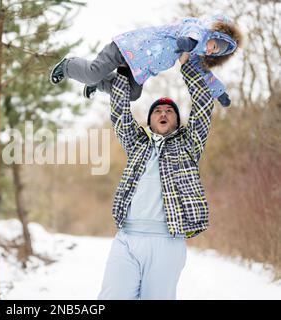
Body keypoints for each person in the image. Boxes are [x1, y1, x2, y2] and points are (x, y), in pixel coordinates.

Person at [98, 52, 213, 300]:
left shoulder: (189, 145)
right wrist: (122, 73)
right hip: (127, 238)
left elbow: (203, 104)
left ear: (177, 120)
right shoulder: (137, 144)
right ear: (150, 120)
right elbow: (120, 115)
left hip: (167, 241)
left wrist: (188, 66)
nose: (163, 113)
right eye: (157, 110)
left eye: (169, 111)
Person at [50, 14, 242, 107]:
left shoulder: (193, 54)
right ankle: (67, 66)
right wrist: (189, 41)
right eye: (213, 45)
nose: (210, 49)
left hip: (138, 70)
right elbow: (191, 32)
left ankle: (99, 83)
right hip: (127, 48)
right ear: (213, 34)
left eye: (214, 52)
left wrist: (219, 93)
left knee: (132, 94)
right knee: (92, 73)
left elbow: (203, 73)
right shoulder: (195, 28)